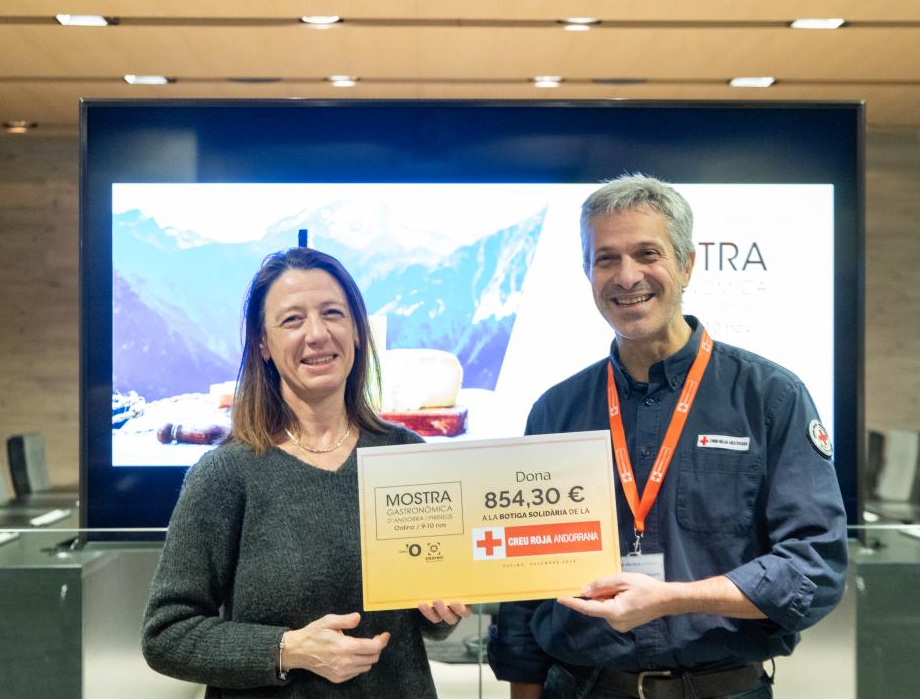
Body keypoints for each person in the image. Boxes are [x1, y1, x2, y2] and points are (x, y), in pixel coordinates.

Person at [488, 175, 848, 699]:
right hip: (582, 687)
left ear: (686, 264)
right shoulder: (556, 410)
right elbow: (528, 584)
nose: (626, 276)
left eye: (647, 253)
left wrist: (673, 598)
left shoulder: (771, 398)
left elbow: (815, 567)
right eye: (606, 258)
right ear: (588, 272)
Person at [143, 247, 469, 698]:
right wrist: (289, 649)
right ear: (263, 344)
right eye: (292, 320)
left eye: (332, 313)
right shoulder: (225, 474)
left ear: (356, 330)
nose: (317, 334)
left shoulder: (407, 456)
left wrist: (440, 613)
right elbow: (166, 635)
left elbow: (424, 623)